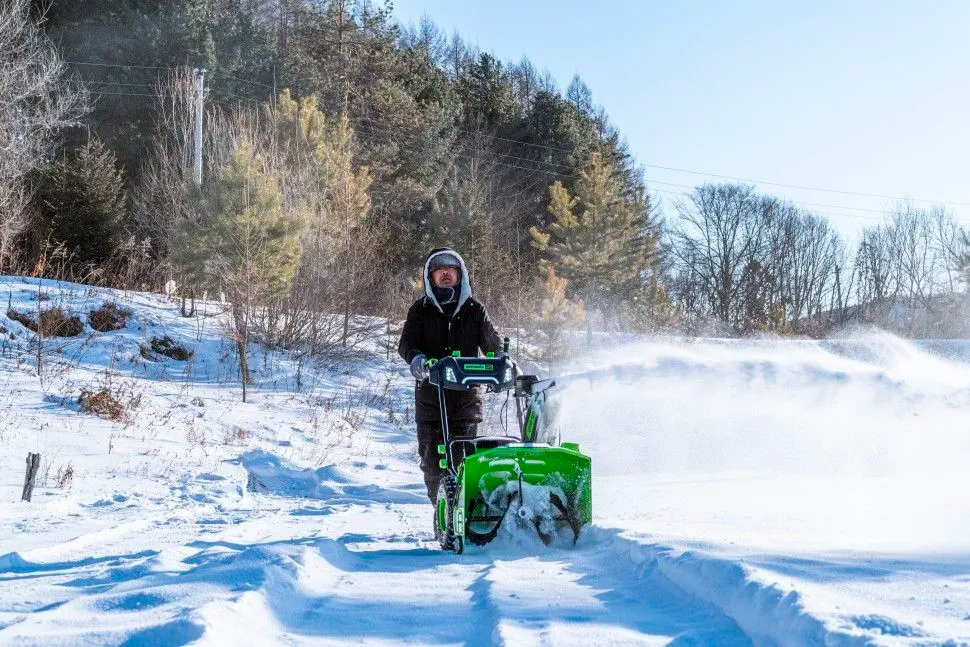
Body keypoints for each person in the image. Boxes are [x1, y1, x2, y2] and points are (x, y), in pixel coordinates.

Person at [398, 248, 502, 503]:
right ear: (430, 277)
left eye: (451, 270)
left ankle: (466, 509)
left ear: (460, 275)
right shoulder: (419, 311)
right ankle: (441, 507)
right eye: (440, 271)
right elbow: (406, 344)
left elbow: (493, 345)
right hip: (431, 398)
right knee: (432, 461)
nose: (446, 274)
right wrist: (418, 360)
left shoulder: (474, 310)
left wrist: (501, 362)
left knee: (464, 456)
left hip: (465, 398)